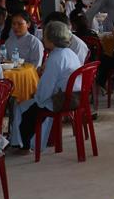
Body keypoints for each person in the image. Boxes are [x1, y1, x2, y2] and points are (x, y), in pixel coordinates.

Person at [9, 21, 83, 152]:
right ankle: (24, 142)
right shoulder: (70, 53)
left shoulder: (55, 58)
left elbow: (46, 88)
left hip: (61, 100)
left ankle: (24, 144)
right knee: (31, 104)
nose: (43, 39)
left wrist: (36, 97)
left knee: (22, 107)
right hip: (76, 96)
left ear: (52, 39)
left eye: (45, 36)